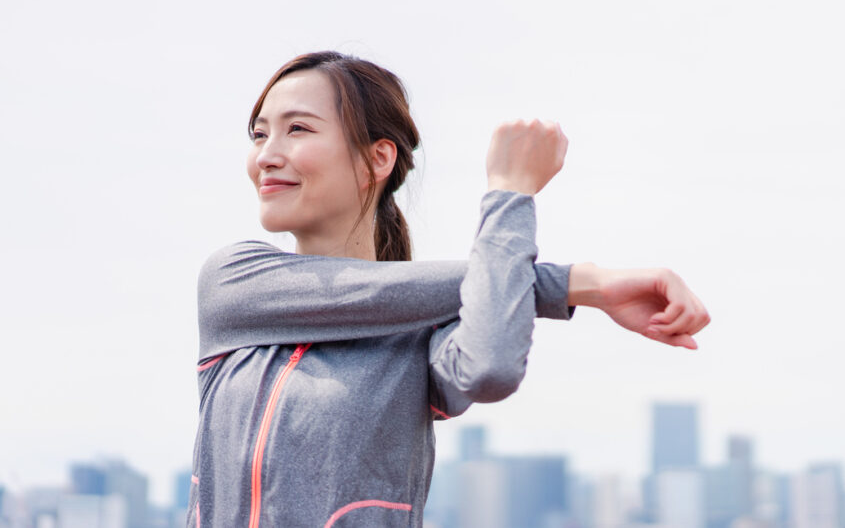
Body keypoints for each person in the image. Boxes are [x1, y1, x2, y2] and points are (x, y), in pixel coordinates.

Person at [186, 51, 709, 527]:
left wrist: (509, 192)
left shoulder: (421, 336)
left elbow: (491, 369)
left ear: (378, 159)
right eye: (258, 135)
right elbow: (356, 294)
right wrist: (577, 283)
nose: (267, 156)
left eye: (297, 129)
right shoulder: (234, 282)